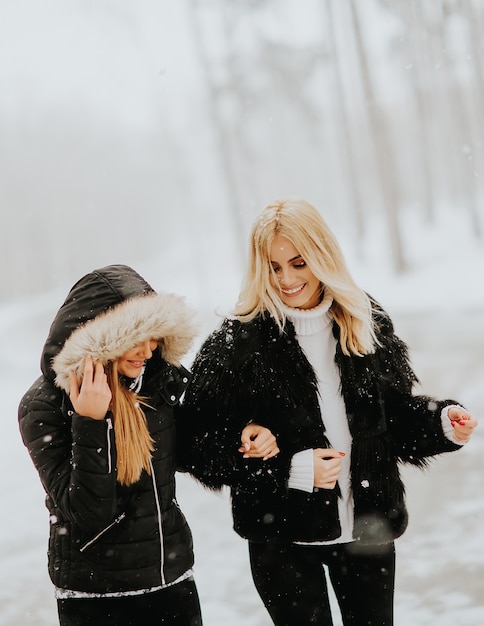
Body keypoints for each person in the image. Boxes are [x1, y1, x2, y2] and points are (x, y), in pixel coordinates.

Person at [178, 200, 478, 626]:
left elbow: (391, 417)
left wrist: (441, 422)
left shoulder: (364, 319)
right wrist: (290, 468)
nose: (286, 278)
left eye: (298, 262)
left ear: (322, 254)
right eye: (274, 266)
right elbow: (194, 444)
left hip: (367, 532)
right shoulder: (236, 342)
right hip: (280, 541)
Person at [18, 264, 277, 626]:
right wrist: (91, 421)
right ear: (100, 337)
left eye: (154, 337)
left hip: (171, 581)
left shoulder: (154, 383)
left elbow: (190, 452)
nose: (148, 350)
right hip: (95, 595)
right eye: (135, 338)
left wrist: (241, 439)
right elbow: (91, 513)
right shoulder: (46, 405)